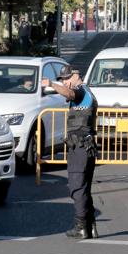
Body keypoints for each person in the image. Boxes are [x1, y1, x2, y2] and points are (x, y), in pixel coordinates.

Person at [41, 65, 98, 239]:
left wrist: (51, 83)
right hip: (85, 146)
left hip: (80, 147)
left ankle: (81, 227)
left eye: (67, 78)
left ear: (76, 75)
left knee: (76, 187)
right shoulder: (86, 93)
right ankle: (90, 227)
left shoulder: (80, 92)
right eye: (62, 79)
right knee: (84, 188)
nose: (65, 82)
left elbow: (71, 94)